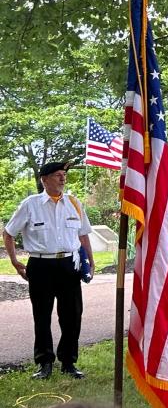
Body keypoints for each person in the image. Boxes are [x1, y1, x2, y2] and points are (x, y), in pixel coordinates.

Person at [3, 161, 94, 380]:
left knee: (72, 315)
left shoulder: (74, 203)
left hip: (69, 265)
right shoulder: (30, 204)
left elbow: (83, 235)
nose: (62, 178)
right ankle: (44, 363)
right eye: (57, 175)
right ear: (44, 180)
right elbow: (8, 233)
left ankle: (69, 362)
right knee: (42, 316)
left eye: (63, 175)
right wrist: (15, 262)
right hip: (41, 265)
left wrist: (90, 261)